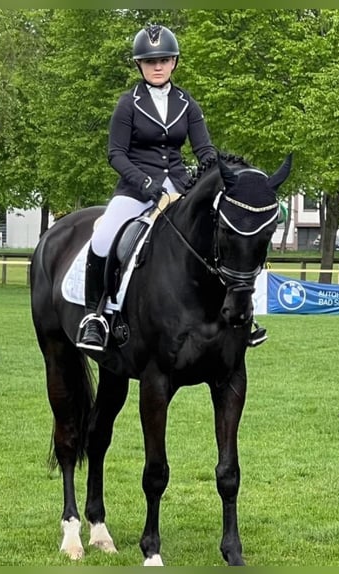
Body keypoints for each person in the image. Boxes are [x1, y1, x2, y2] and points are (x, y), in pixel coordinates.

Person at [76, 24, 267, 351]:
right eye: (150, 61)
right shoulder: (128, 103)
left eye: (164, 59)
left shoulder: (186, 103)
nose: (158, 66)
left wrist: (222, 172)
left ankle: (240, 317)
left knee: (218, 239)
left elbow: (205, 151)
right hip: (136, 190)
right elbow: (116, 154)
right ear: (140, 65)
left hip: (180, 187)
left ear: (174, 62)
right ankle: (96, 316)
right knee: (106, 235)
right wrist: (144, 182)